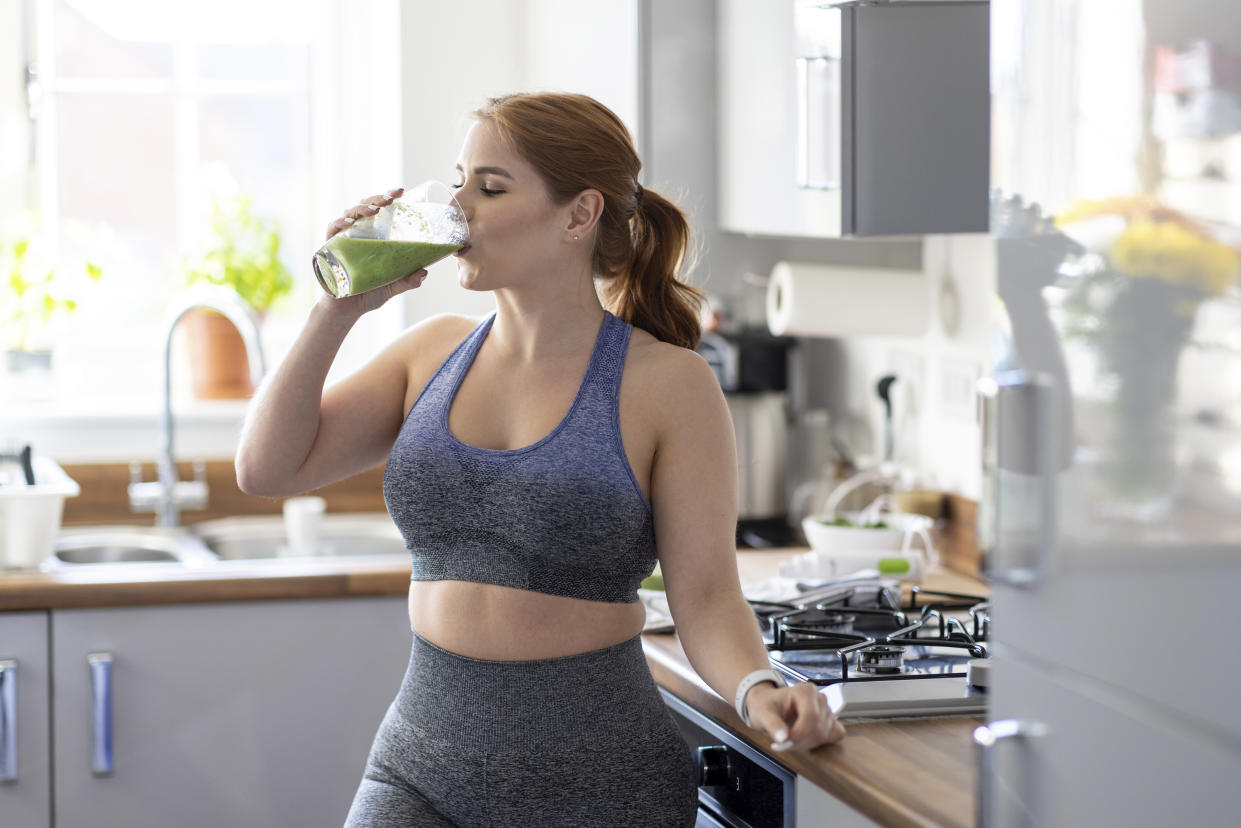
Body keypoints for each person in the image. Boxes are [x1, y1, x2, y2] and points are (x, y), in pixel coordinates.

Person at [235, 92, 845, 828]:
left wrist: (754, 688)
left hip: (599, 785)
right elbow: (267, 469)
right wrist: (335, 311)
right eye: (458, 180)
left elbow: (708, 595)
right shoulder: (428, 357)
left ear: (578, 215)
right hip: (417, 768)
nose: (459, 206)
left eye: (489, 187)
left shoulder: (669, 386)